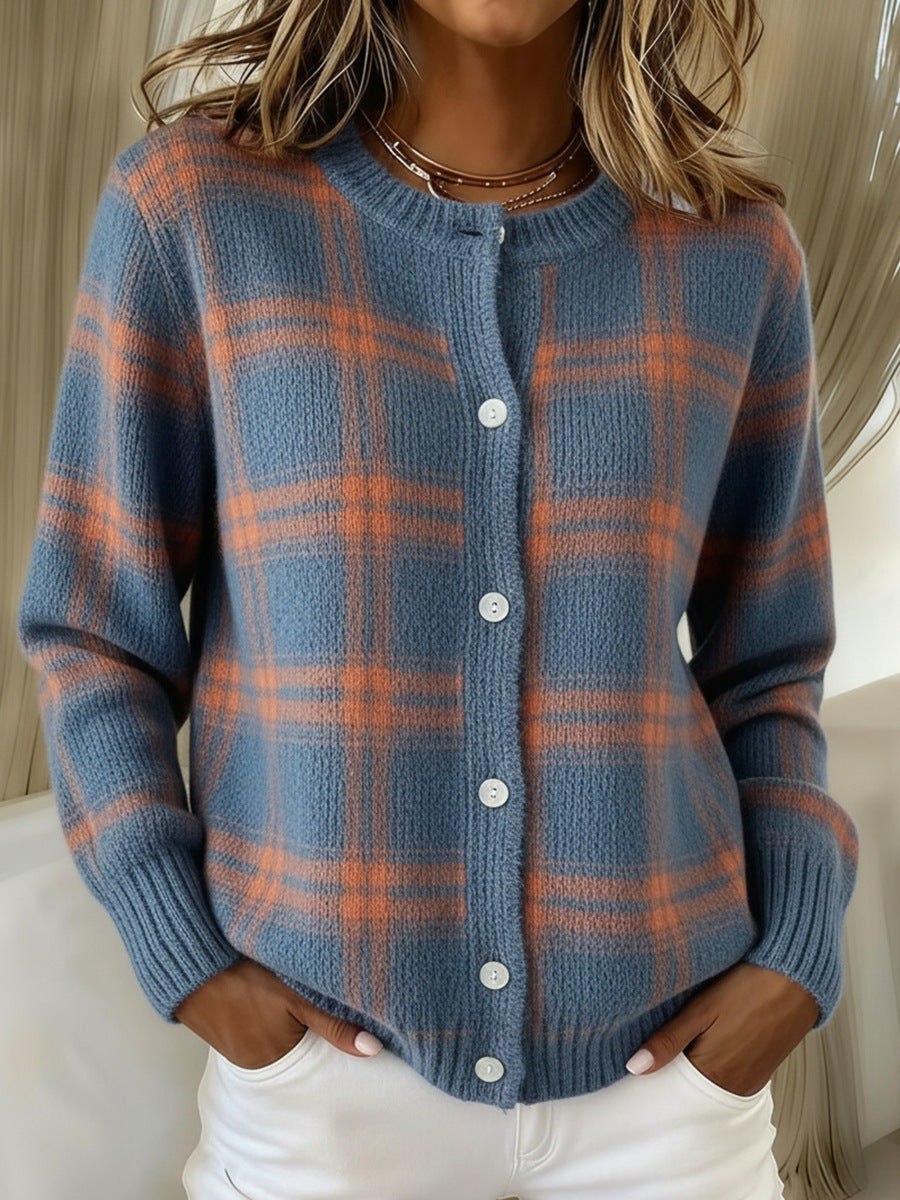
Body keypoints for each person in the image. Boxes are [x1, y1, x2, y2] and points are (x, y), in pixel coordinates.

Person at [16, 1, 860, 1198]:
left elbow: (770, 665)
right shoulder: (195, 210)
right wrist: (192, 963)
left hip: (675, 1087)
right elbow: (95, 635)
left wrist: (797, 953)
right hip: (324, 1088)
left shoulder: (731, 249)